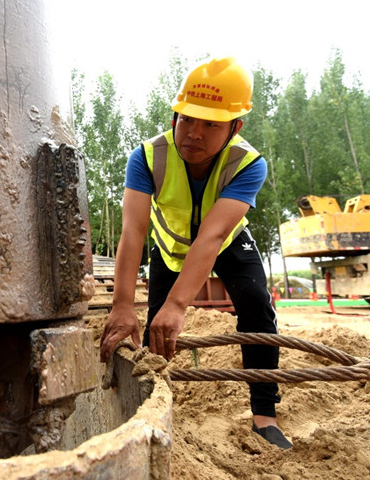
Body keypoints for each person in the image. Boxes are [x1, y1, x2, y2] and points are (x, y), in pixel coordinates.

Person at [99, 57, 292, 449]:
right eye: (186, 118)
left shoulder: (248, 164)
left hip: (228, 245)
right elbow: (133, 231)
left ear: (235, 127)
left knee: (257, 305)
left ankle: (264, 416)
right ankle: (153, 410)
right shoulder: (148, 156)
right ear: (175, 114)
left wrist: (179, 304)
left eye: (210, 124)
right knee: (156, 329)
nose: (193, 133)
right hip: (169, 253)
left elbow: (213, 234)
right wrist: (121, 304)